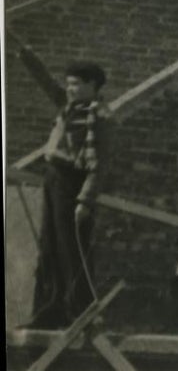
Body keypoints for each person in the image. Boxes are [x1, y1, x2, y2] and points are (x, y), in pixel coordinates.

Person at [11, 34, 108, 329]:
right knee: (49, 245)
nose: (69, 89)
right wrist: (23, 51)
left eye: (76, 84)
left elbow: (100, 164)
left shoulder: (99, 115)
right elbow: (46, 82)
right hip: (53, 177)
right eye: (68, 84)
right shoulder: (68, 108)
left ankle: (79, 310)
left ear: (92, 86)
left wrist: (85, 200)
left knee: (71, 247)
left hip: (73, 181)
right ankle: (49, 310)